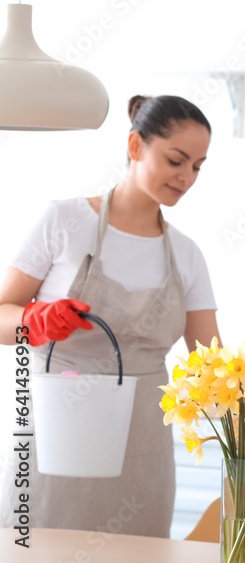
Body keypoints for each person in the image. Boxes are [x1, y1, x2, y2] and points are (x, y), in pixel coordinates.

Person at [0, 95, 220, 537]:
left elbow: (211, 366)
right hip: (56, 443)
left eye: (197, 166)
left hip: (142, 455)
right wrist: (34, 320)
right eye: (176, 160)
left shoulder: (187, 254)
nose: (186, 177)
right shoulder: (63, 221)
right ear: (135, 145)